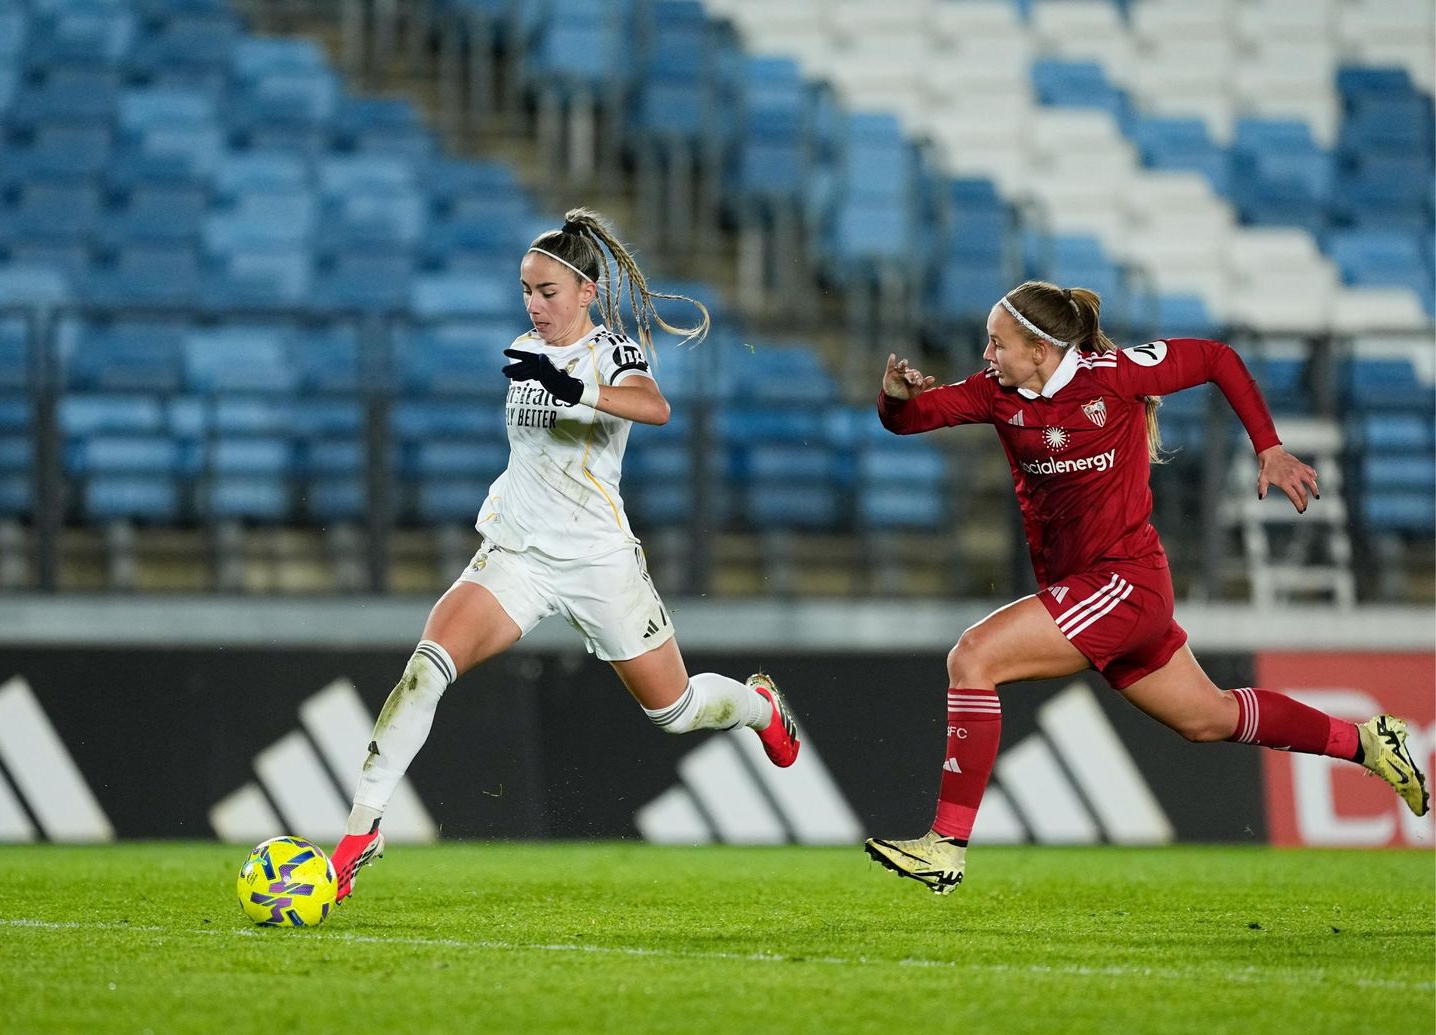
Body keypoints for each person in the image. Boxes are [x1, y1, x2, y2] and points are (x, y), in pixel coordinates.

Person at [864, 280, 1430, 895]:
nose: (986, 355)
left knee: (973, 657)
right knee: (1208, 717)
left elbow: (1217, 358)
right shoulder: (997, 394)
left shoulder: (1116, 375)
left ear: (1039, 351)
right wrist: (895, 398)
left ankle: (945, 846)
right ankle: (1369, 742)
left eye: (997, 343)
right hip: (1099, 592)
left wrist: (1269, 447)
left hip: (1122, 584)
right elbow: (911, 420)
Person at [329, 207, 800, 902]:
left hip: (597, 562)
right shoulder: (525, 348)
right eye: (526, 289)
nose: (534, 304)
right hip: (516, 553)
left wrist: (573, 388)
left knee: (672, 712)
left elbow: (655, 408)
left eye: (548, 291)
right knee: (426, 669)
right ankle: (358, 834)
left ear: (586, 292)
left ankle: (760, 707)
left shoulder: (613, 354)